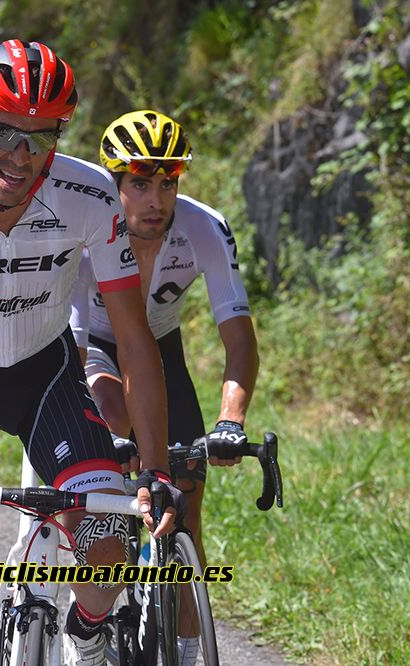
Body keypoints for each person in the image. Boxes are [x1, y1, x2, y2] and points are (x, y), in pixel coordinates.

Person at [0, 40, 182, 666]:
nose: (22, 156)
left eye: (41, 138)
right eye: (4, 133)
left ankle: (86, 630)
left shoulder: (91, 195)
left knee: (107, 553)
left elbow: (132, 336)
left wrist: (154, 467)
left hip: (49, 381)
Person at [71, 110, 260, 590]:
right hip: (91, 346)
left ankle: (185, 648)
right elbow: (71, 345)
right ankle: (90, 588)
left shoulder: (204, 228)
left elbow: (239, 339)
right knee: (112, 418)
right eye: (139, 184)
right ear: (114, 184)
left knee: (187, 508)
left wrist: (230, 423)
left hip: (160, 351)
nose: (156, 201)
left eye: (167, 184)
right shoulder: (87, 231)